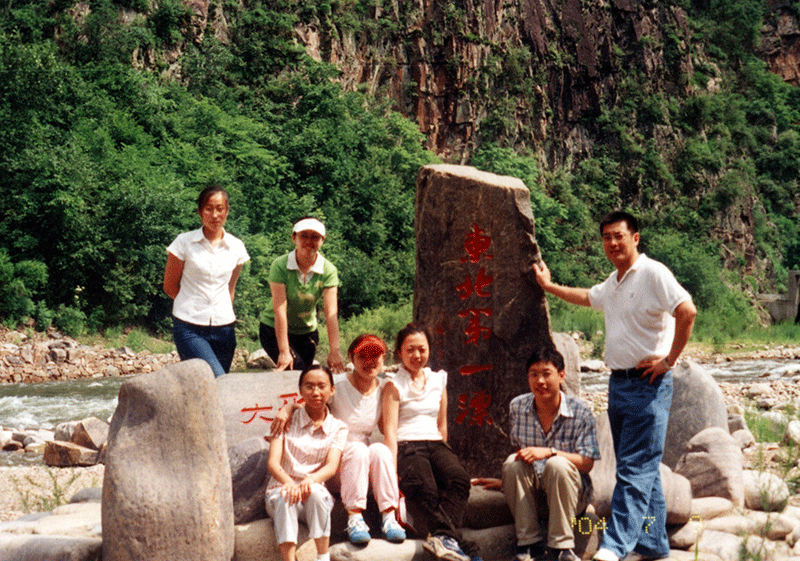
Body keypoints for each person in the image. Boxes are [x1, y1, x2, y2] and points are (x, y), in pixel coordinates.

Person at [533, 210, 697, 561]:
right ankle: (653, 544)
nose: (612, 243)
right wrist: (548, 287)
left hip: (648, 385)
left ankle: (613, 547)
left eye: (619, 236)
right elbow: (587, 297)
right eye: (607, 237)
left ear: (635, 238)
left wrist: (669, 360)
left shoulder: (653, 273)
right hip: (618, 383)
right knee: (639, 468)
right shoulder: (615, 281)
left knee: (636, 468)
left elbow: (687, 311)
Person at [271, 334, 406, 545]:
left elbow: (390, 434)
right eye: (363, 356)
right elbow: (314, 404)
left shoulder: (384, 387)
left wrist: (393, 471)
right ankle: (355, 518)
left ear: (384, 359)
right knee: (357, 450)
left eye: (376, 356)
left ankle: (389, 517)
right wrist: (288, 408)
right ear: (352, 358)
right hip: (335, 459)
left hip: (364, 460)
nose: (369, 362)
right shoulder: (339, 384)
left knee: (379, 449)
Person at [382, 324, 478, 561]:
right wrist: (391, 470)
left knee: (459, 479)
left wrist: (444, 460)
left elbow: (442, 424)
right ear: (399, 352)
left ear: (429, 350)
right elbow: (390, 432)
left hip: (435, 444)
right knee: (426, 487)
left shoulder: (438, 379)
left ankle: (444, 538)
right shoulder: (393, 384)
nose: (417, 355)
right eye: (410, 350)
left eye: (422, 349)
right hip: (407, 445)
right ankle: (458, 542)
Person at [502, 347, 600, 561]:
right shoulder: (518, 407)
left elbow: (587, 462)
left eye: (547, 374)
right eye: (534, 375)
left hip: (572, 496)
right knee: (512, 463)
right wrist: (506, 477)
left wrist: (550, 452)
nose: (540, 381)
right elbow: (519, 453)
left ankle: (561, 547)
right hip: (536, 494)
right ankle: (528, 544)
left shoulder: (581, 411)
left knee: (557, 464)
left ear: (561, 375)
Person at [163, 185, 250, 378]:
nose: (214, 214)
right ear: (200, 211)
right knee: (218, 379)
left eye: (220, 209)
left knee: (215, 389)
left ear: (227, 211)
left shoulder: (236, 247)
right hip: (189, 327)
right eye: (209, 208)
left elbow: (230, 288)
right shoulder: (183, 243)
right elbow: (169, 286)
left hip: (225, 329)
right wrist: (192, 304)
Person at [266, 365, 348, 561]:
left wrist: (309, 481)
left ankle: (322, 556)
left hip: (312, 493)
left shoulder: (338, 427)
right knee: (286, 497)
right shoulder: (285, 419)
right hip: (281, 489)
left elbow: (331, 467)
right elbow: (273, 463)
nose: (316, 392)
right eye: (309, 387)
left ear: (332, 390)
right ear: (300, 390)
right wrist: (290, 484)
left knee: (318, 493)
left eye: (322, 386)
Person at [260, 217, 345, 374]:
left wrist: (335, 350)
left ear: (322, 240)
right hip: (273, 329)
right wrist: (284, 351)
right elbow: (280, 310)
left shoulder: (328, 270)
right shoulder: (280, 265)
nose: (309, 241)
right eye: (303, 236)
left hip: (306, 333)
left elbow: (331, 313)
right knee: (294, 371)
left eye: (315, 237)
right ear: (294, 238)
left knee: (305, 377)